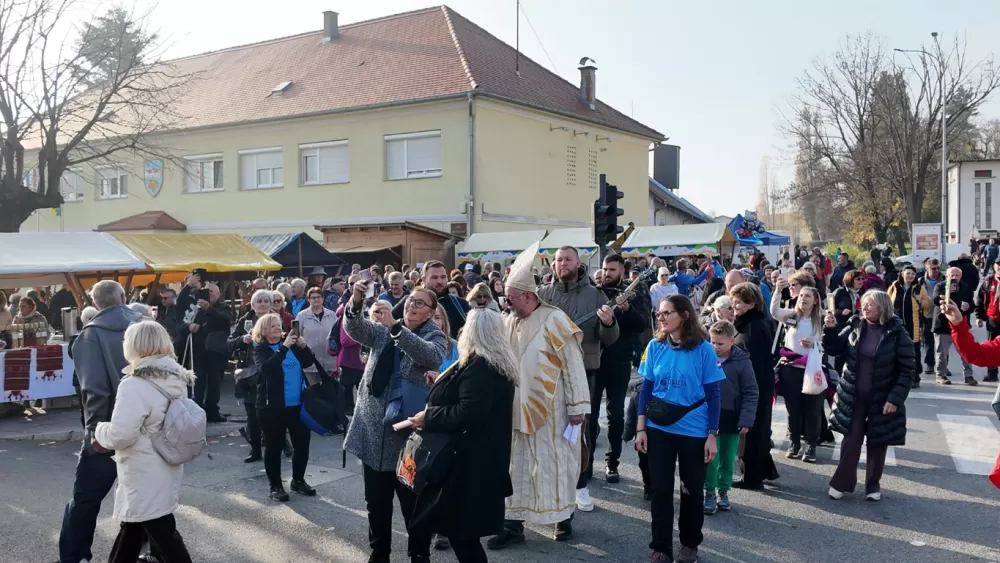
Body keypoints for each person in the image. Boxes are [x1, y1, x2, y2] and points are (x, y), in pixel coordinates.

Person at [488, 241, 591, 548]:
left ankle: (563, 519)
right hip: (515, 408)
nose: (508, 304)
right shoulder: (508, 320)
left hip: (555, 408)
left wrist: (578, 406)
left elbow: (573, 364)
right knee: (515, 465)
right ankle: (512, 525)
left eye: (512, 298)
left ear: (529, 296)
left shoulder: (555, 319)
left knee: (556, 463)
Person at [343, 282, 446, 563]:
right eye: (411, 300)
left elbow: (429, 355)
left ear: (431, 312)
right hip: (373, 428)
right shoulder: (385, 328)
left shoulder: (434, 336)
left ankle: (418, 554)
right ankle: (379, 552)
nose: (412, 305)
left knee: (414, 504)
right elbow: (356, 329)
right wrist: (355, 300)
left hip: (407, 434)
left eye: (420, 303)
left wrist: (397, 331)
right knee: (376, 501)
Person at [407, 309, 517, 563]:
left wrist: (429, 417)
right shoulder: (491, 361)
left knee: (461, 534)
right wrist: (442, 382)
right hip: (473, 460)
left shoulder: (481, 365)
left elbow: (470, 412)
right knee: (450, 530)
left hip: (467, 463)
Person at [58, 280, 145, 563]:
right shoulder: (145, 326)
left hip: (108, 428)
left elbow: (94, 390)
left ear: (96, 304)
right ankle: (143, 552)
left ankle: (75, 557)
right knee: (142, 498)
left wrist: (95, 434)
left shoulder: (89, 335)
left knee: (84, 501)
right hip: (146, 426)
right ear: (123, 297)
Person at [94, 321, 194, 563]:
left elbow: (121, 434)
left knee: (159, 529)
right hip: (166, 460)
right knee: (136, 525)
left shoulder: (135, 384)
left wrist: (99, 431)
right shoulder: (175, 377)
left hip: (143, 467)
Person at [635, 294, 723, 563]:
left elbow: (714, 393)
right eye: (658, 313)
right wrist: (641, 427)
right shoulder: (654, 345)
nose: (659, 318)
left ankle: (689, 543)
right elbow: (646, 387)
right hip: (658, 427)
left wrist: (712, 435)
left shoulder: (704, 349)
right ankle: (661, 546)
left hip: (694, 429)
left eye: (666, 313)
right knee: (660, 489)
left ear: (684, 316)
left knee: (691, 490)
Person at [536, 245, 618, 514]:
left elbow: (608, 338)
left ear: (578, 262)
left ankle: (580, 485)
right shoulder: (543, 294)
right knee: (546, 430)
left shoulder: (595, 295)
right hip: (547, 372)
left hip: (584, 370)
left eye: (567, 259)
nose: (562, 264)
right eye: (558, 260)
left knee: (581, 430)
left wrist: (608, 324)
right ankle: (549, 485)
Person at [824, 290, 914, 501]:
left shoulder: (897, 332)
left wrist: (894, 398)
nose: (864, 308)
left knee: (877, 441)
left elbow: (908, 370)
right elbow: (835, 348)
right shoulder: (855, 324)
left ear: (882, 308)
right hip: (854, 394)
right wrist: (830, 330)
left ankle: (873, 486)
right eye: (863, 304)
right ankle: (842, 482)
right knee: (851, 439)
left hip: (882, 397)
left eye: (869, 305)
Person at [252, 313, 327, 501]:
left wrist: (303, 346)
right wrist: (283, 348)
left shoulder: (291, 345)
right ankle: (275, 485)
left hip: (298, 405)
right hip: (272, 408)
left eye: (279, 325)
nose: (278, 328)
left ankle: (298, 480)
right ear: (264, 331)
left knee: (302, 445)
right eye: (273, 326)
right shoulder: (260, 350)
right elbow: (267, 368)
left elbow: (308, 361)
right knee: (274, 447)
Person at [590, 254, 646, 484]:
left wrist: (626, 310)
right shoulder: (593, 292)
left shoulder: (634, 293)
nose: (607, 273)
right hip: (594, 362)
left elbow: (642, 324)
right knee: (589, 415)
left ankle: (612, 463)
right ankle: (586, 465)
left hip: (619, 362)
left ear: (622, 271)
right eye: (605, 269)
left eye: (612, 269)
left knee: (617, 416)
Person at [704, 320, 758, 515]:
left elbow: (751, 391)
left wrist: (746, 419)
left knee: (727, 458)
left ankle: (723, 491)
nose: (715, 347)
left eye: (720, 343)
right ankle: (709, 491)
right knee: (710, 456)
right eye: (712, 342)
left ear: (732, 341)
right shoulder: (705, 357)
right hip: (709, 415)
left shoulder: (742, 362)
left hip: (731, 416)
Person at [729, 282, 779, 490]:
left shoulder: (752, 327)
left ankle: (752, 478)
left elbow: (751, 363)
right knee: (757, 430)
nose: (734, 306)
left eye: (738, 303)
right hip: (759, 384)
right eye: (733, 302)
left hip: (755, 386)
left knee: (751, 433)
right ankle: (764, 471)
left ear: (751, 304)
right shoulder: (752, 323)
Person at [771, 282, 825, 463]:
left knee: (813, 409)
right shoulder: (792, 316)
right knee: (792, 409)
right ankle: (794, 443)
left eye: (807, 296)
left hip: (812, 370)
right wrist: (778, 291)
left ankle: (811, 445)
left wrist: (815, 345)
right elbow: (774, 312)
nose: (803, 299)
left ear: (815, 301)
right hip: (791, 370)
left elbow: (830, 345)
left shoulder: (822, 319)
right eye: (801, 296)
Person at [175, 276, 230, 423]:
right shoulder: (194, 307)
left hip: (215, 351)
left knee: (215, 383)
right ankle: (196, 409)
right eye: (207, 291)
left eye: (212, 292)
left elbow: (224, 320)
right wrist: (189, 327)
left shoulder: (224, 307)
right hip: (197, 350)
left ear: (218, 295)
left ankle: (212, 411)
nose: (209, 294)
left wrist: (209, 309)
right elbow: (180, 313)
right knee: (196, 382)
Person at [230, 289, 272, 463]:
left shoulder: (275, 321)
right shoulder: (245, 320)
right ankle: (255, 450)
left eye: (265, 301)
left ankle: (278, 444)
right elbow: (229, 342)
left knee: (270, 413)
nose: (262, 304)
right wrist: (242, 339)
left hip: (270, 373)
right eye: (259, 301)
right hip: (249, 374)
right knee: (252, 414)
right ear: (253, 305)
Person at [392, 261, 472, 340]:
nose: (440, 281)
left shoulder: (460, 304)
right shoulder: (409, 303)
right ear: (424, 279)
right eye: (434, 277)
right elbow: (391, 326)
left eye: (443, 277)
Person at [887, 266, 931, 389]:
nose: (910, 276)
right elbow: (886, 302)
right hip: (896, 325)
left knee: (914, 353)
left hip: (913, 325)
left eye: (913, 274)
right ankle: (896, 377)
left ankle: (915, 377)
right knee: (895, 352)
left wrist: (920, 301)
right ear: (902, 274)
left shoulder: (919, 288)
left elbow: (928, 304)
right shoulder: (894, 287)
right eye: (908, 273)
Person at [931, 267, 975, 386]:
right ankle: (941, 375)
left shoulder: (965, 287)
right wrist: (948, 292)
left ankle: (969, 376)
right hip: (943, 325)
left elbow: (972, 304)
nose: (954, 278)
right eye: (952, 275)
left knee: (965, 351)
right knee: (942, 352)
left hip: (960, 324)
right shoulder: (940, 286)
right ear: (947, 276)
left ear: (961, 277)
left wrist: (968, 307)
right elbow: (936, 300)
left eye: (957, 275)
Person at [296, 287, 339, 388]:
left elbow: (337, 336)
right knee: (313, 394)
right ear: (309, 300)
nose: (316, 299)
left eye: (318, 297)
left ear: (323, 299)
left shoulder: (332, 315)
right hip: (310, 364)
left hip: (329, 363)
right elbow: (296, 336)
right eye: (313, 297)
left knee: (329, 393)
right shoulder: (301, 316)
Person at [974, 261, 1000, 383]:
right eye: (998, 265)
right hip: (993, 320)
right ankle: (992, 373)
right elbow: (979, 299)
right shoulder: (988, 282)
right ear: (994, 267)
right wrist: (979, 316)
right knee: (991, 347)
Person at [917, 258, 944, 375]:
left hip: (941, 313)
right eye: (934, 268)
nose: (936, 270)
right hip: (926, 314)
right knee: (928, 341)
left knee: (942, 342)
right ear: (927, 268)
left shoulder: (944, 279)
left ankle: (943, 366)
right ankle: (930, 364)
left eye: (938, 268)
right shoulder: (920, 281)